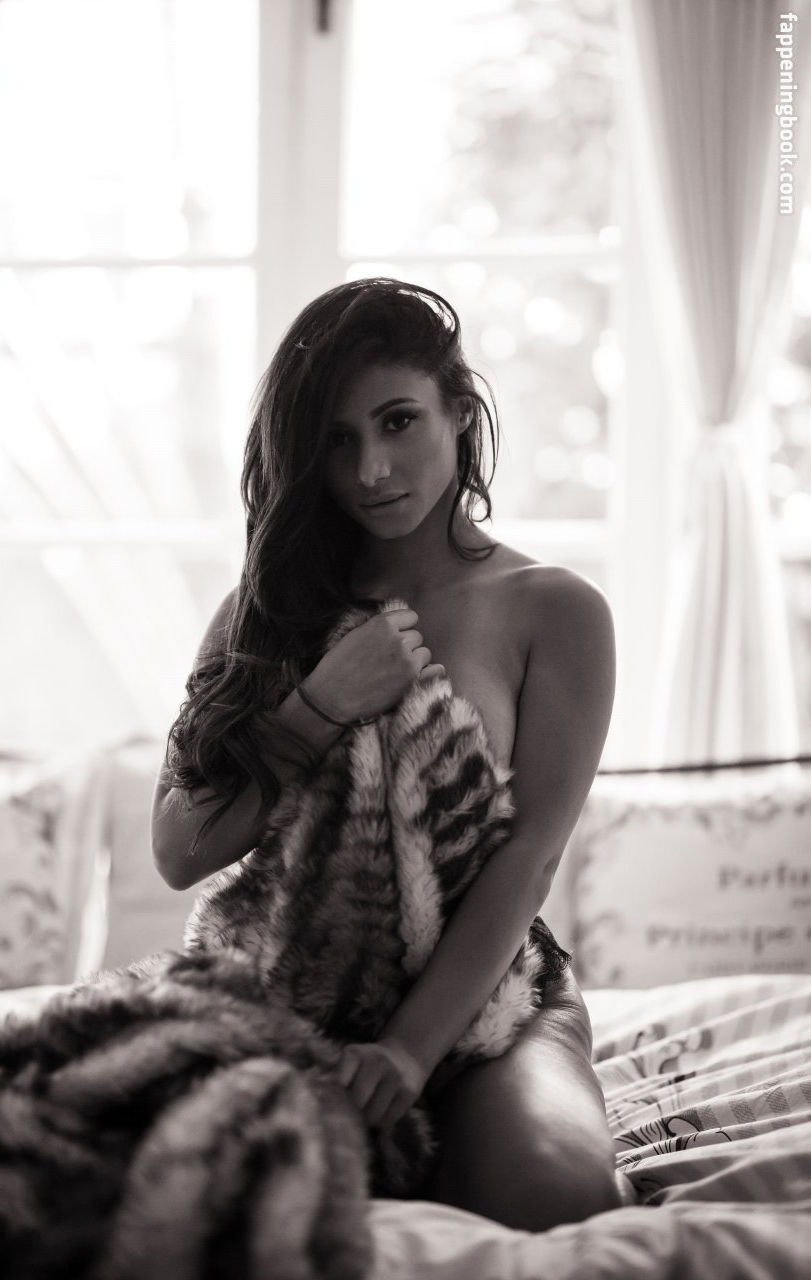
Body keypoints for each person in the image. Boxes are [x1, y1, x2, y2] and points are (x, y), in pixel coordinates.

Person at [151, 277, 622, 1232]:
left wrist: (406, 1053)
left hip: (487, 994)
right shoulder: (262, 610)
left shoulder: (556, 610)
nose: (370, 469)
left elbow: (527, 861)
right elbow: (178, 848)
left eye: (398, 421)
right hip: (288, 985)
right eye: (336, 440)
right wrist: (321, 703)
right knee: (168, 1193)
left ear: (460, 412)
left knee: (555, 1197)